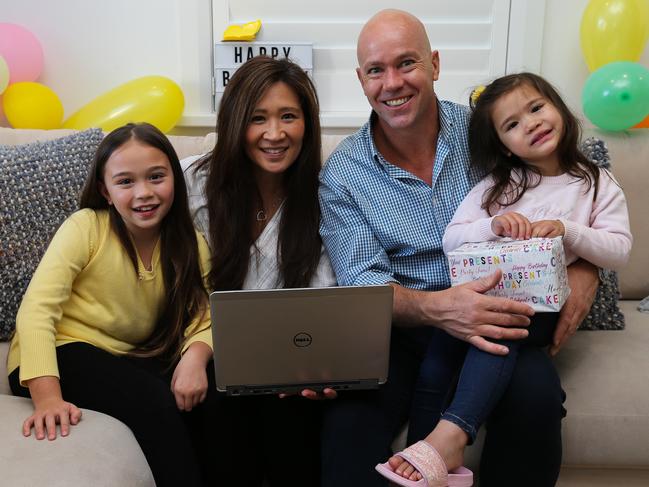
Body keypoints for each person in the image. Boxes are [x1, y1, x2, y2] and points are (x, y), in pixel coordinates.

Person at [318, 9, 601, 487]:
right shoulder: (343, 173)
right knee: (347, 427)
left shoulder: (490, 131)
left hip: (504, 315)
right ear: (360, 80)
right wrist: (439, 308)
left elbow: (574, 186)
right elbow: (363, 286)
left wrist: (587, 267)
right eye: (375, 70)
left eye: (406, 63)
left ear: (434, 64)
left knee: (535, 401)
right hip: (401, 331)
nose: (392, 83)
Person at [378, 73, 632, 485]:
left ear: (559, 108)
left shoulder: (595, 182)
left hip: (540, 309)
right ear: (502, 145)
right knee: (437, 363)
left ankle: (454, 433)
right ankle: (428, 461)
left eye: (536, 108)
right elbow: (452, 237)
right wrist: (493, 225)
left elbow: (619, 249)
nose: (530, 123)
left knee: (497, 335)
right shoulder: (500, 185)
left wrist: (570, 232)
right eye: (512, 124)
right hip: (478, 299)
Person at [7, 123, 214, 487]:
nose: (144, 193)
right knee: (154, 402)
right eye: (125, 182)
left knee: (209, 391)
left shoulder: (190, 243)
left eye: (156, 177)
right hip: (59, 350)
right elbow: (37, 310)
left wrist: (196, 357)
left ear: (175, 180)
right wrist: (48, 397)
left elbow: (206, 314)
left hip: (126, 355)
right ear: (105, 190)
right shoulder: (86, 227)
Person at [182, 55, 336, 487]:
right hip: (207, 352)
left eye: (289, 116)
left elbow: (324, 299)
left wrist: (321, 366)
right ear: (234, 123)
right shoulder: (191, 184)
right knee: (218, 408)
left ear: (307, 123)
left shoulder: (324, 196)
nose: (275, 134)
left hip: (289, 362)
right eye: (258, 118)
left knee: (295, 412)